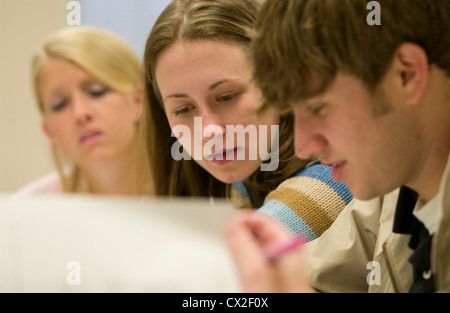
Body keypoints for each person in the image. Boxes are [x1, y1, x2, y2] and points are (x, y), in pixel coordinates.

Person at [226, 0, 450, 293]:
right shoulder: (389, 192)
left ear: (406, 75)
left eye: (318, 108)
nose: (305, 147)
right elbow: (314, 279)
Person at [142, 0, 353, 241]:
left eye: (227, 97)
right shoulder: (246, 181)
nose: (208, 130)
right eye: (183, 109)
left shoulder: (335, 174)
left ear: (279, 80)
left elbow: (230, 261)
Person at [14, 26, 152, 196]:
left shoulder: (190, 193)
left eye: (96, 91)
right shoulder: (27, 208)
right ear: (50, 132)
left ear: (139, 101)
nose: (80, 113)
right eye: (60, 104)